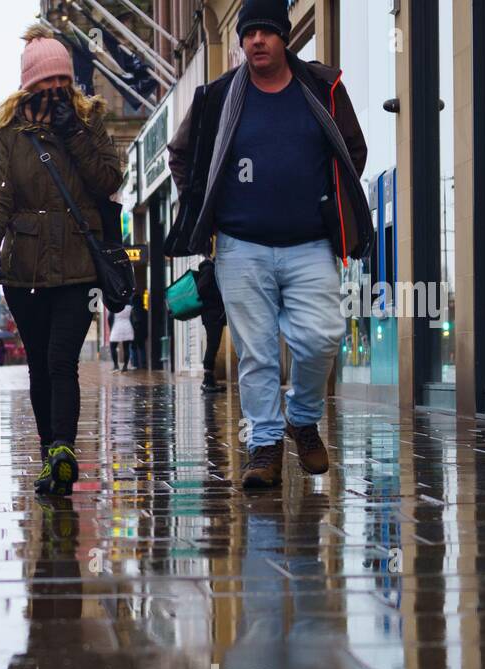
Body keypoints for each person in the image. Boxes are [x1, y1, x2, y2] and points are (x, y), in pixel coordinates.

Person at [165, 0, 371, 490]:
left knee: (322, 336)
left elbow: (352, 151)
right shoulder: (216, 98)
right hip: (240, 246)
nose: (257, 40)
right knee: (256, 354)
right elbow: (181, 156)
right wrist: (203, 206)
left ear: (285, 39)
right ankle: (264, 446)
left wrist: (328, 202)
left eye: (267, 31)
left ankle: (302, 419)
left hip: (311, 245)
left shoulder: (321, 89)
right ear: (240, 40)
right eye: (249, 32)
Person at [0, 23, 123, 496]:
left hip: (80, 265)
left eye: (62, 80)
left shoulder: (88, 121)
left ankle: (63, 447)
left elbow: (107, 180)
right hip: (24, 269)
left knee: (62, 359)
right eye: (46, 83)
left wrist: (74, 134)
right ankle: (49, 455)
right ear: (30, 85)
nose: (56, 90)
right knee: (40, 364)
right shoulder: (8, 133)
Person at [196, 258, 227, 394]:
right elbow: (202, 290)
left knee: (213, 344)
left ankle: (209, 380)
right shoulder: (209, 270)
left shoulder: (209, 270)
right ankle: (207, 380)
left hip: (213, 314)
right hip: (212, 314)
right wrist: (218, 297)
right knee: (213, 344)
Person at [107, 301, 134, 372]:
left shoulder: (114, 305)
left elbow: (109, 318)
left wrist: (110, 328)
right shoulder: (129, 305)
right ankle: (125, 366)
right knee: (126, 347)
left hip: (116, 327)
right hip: (127, 326)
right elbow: (132, 317)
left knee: (112, 346)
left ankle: (116, 365)